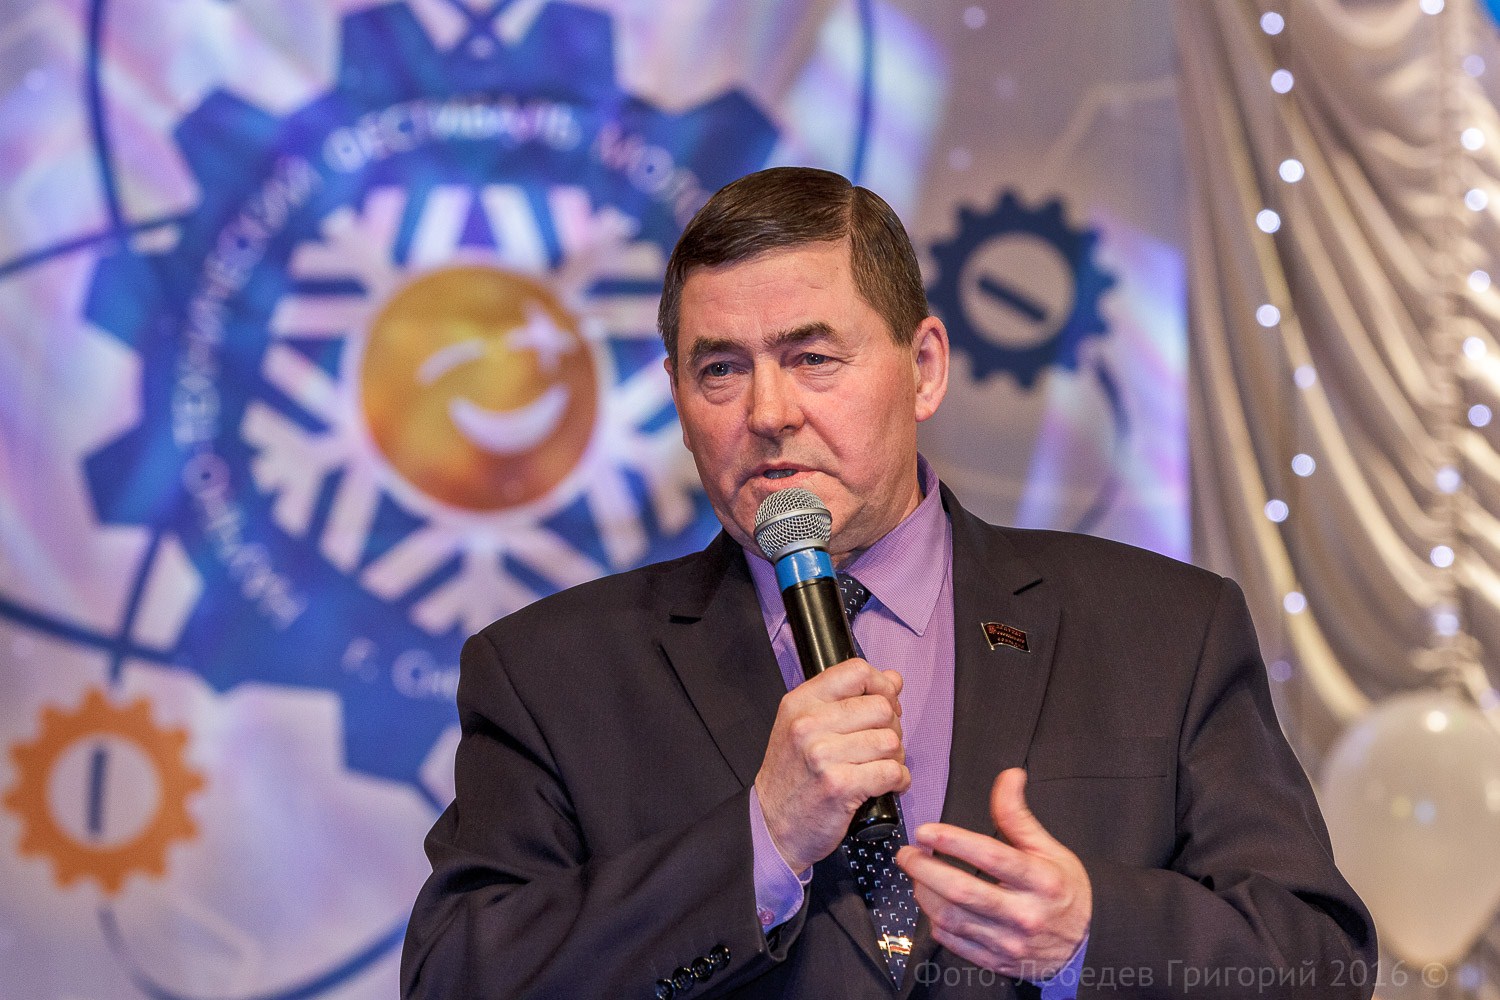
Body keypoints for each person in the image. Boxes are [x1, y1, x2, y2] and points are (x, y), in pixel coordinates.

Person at [400, 167, 1376, 999]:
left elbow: (1319, 962)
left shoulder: (1164, 628)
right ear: (678, 398)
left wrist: (1090, 934)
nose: (768, 411)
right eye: (721, 370)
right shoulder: (549, 672)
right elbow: (456, 977)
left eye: (813, 357)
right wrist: (759, 842)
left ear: (924, 368)